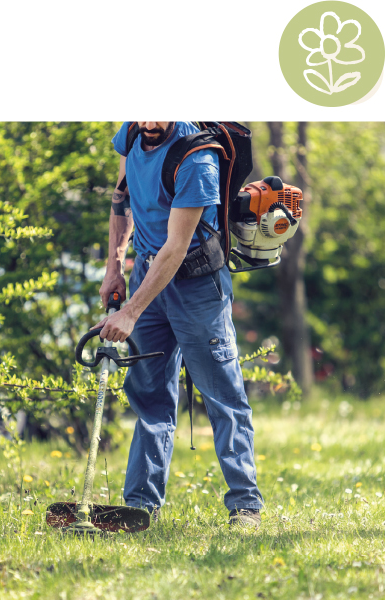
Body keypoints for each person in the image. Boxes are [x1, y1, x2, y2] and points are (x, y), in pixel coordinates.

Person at [95, 121, 263, 527]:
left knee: (222, 396)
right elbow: (122, 198)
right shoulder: (131, 133)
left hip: (196, 285)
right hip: (146, 280)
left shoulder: (196, 159)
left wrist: (131, 312)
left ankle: (245, 506)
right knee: (149, 396)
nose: (151, 124)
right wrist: (114, 266)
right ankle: (140, 506)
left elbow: (175, 247)